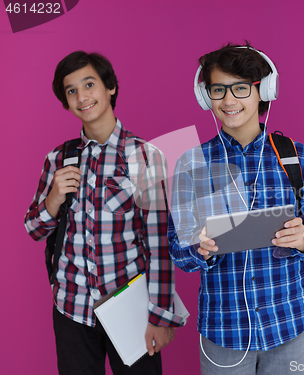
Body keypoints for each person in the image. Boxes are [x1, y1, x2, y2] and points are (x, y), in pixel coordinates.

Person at [167, 43, 304, 375]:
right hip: (224, 331)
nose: (229, 100)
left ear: (263, 91)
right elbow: (178, 252)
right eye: (219, 89)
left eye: (241, 88)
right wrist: (197, 248)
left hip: (290, 324)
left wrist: (303, 240)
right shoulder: (191, 162)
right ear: (206, 97)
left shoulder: (296, 156)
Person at [24, 51, 186, 375]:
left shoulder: (145, 156)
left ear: (109, 87)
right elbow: (34, 228)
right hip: (71, 309)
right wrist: (54, 198)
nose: (82, 97)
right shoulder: (58, 158)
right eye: (71, 91)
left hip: (131, 311)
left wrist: (161, 315)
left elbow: (158, 244)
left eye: (89, 84)